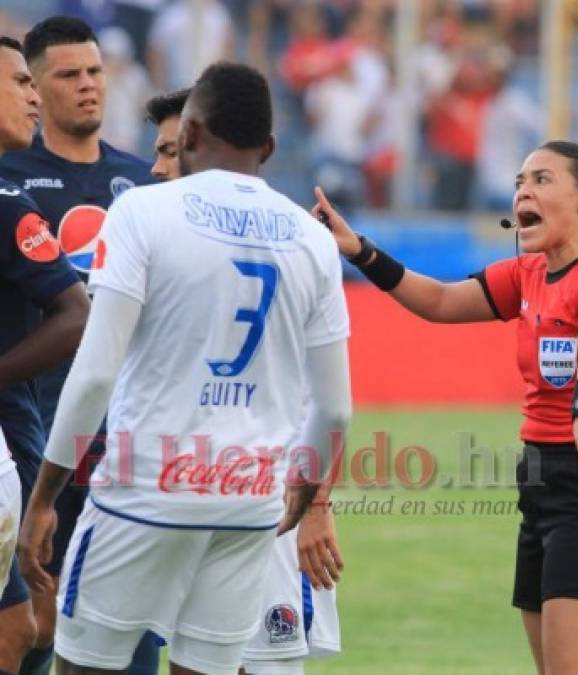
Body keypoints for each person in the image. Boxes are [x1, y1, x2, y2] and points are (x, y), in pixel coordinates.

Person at [17, 61, 351, 675]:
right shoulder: (313, 240)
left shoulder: (144, 212)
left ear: (190, 133)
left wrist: (45, 497)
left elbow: (93, 372)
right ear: (270, 147)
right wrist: (305, 493)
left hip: (143, 494)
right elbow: (334, 407)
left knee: (87, 666)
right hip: (250, 502)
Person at [313, 140, 578, 675]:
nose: (524, 191)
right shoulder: (529, 273)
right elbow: (441, 302)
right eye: (520, 181)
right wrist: (360, 251)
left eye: (542, 179)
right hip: (541, 485)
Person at [145, 86, 345, 675]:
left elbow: (325, 394)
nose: (156, 166)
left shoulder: (284, 244)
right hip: (173, 498)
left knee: (256, 665)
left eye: (168, 149)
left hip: (266, 502)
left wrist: (316, 505)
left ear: (202, 146)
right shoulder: (158, 241)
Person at [0, 17, 156, 673]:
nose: (87, 86)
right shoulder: (11, 177)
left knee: (123, 621)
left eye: (95, 72)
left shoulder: (144, 183)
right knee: (36, 613)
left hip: (126, 432)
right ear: (34, 87)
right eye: (68, 75)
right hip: (36, 424)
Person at [0, 35, 90, 673]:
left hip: (35, 433)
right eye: (20, 82)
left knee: (29, 619)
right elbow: (77, 313)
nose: (32, 96)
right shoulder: (7, 203)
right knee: (26, 623)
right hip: (12, 438)